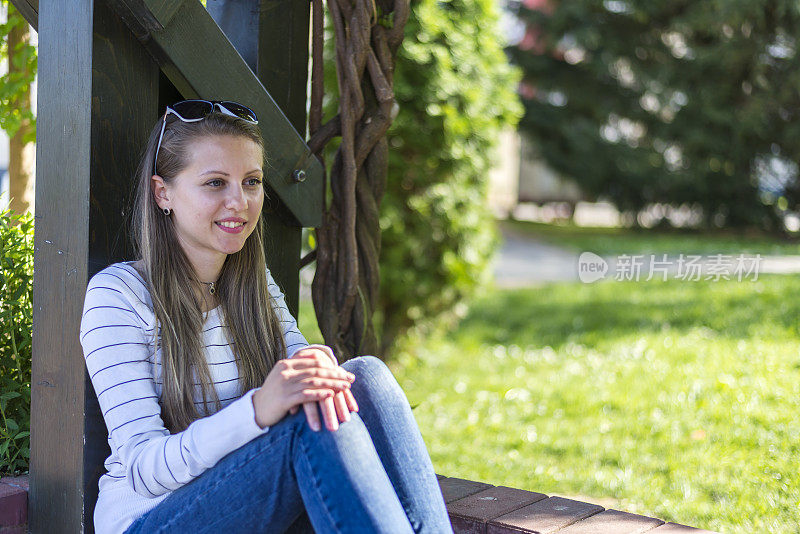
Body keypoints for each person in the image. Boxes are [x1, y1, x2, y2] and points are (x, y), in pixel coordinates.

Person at [79, 100, 452, 534]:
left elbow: (304, 376)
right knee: (309, 429)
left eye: (251, 182)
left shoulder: (252, 285)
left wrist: (315, 370)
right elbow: (145, 468)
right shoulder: (118, 294)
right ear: (163, 193)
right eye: (216, 183)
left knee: (365, 377)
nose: (239, 202)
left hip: (243, 501)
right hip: (151, 519)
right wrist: (258, 409)